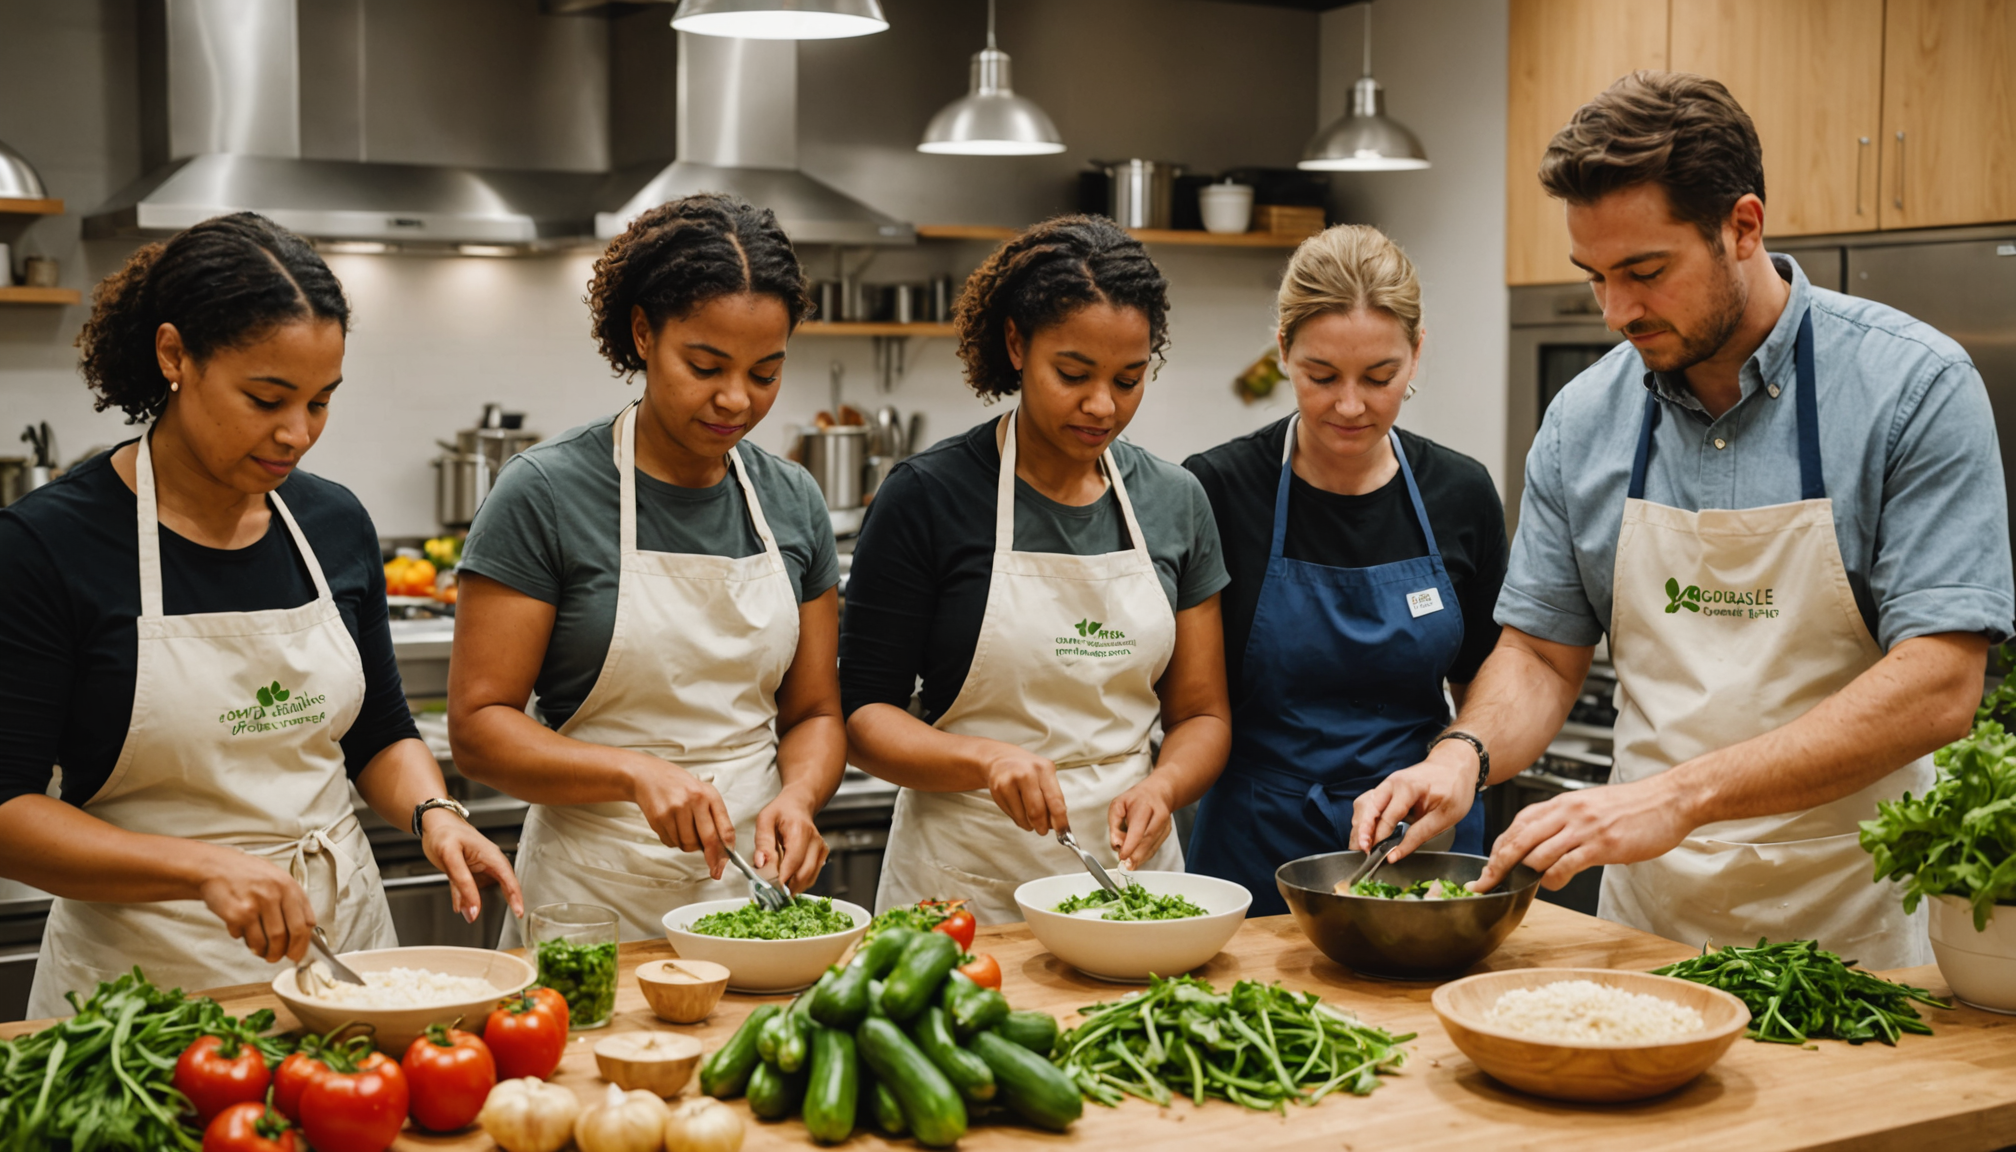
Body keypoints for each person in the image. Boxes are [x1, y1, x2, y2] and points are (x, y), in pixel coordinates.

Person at [1353, 72, 2013, 968]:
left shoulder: (1912, 390)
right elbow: (1543, 654)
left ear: (1743, 226)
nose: (1618, 310)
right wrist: (1461, 754)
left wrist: (1679, 796)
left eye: (1646, 271)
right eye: (1595, 278)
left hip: (1859, 934)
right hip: (1645, 932)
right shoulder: (1584, 419)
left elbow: (1940, 682)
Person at [0, 213, 520, 1016]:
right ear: (174, 356)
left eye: (320, 402)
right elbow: (8, 811)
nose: (297, 434)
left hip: (344, 966)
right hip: (145, 994)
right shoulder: (50, 545)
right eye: (267, 398)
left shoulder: (334, 525)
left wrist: (435, 814)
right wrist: (202, 867)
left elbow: (378, 733)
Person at [450, 194, 843, 943]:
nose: (735, 399)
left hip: (749, 898)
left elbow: (816, 713)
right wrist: (634, 773)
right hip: (593, 904)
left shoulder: (791, 499)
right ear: (642, 334)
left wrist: (799, 797)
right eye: (704, 365)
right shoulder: (546, 491)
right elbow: (478, 728)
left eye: (765, 373)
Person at [841, 216, 1232, 925]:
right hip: (964, 887)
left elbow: (1202, 712)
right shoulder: (929, 495)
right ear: (1017, 345)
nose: (1102, 406)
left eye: (1130, 378)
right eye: (1074, 374)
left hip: (1128, 886)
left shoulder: (1175, 501)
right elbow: (866, 716)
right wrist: (985, 762)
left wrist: (1165, 786)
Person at [1183, 226, 1508, 917]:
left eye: (1381, 377)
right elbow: (1188, 701)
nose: (1351, 405)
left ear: (1418, 354)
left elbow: (1488, 678)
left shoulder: (1462, 492)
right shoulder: (1217, 489)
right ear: (1282, 353)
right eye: (1322, 376)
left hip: (1419, 847)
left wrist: (1453, 764)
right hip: (1256, 845)